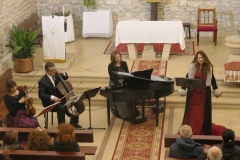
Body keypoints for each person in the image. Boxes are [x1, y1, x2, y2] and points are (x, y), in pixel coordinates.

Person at [178, 50, 222, 135]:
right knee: (193, 112)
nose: (200, 59)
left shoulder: (209, 67)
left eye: (202, 57)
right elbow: (187, 77)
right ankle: (191, 129)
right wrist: (183, 88)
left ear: (204, 58)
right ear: (196, 58)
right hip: (194, 94)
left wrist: (215, 89)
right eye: (199, 58)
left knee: (202, 113)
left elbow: (212, 78)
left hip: (204, 94)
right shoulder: (192, 67)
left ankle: (201, 130)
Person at [38, 62, 81, 128]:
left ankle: (74, 122)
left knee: (74, 101)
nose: (54, 71)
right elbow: (41, 94)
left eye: (55, 69)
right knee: (61, 108)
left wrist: (63, 73)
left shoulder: (57, 74)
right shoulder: (43, 81)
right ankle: (62, 127)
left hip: (61, 97)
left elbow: (66, 77)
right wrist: (52, 97)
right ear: (47, 71)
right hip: (50, 102)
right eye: (51, 70)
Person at [108, 50, 140, 120]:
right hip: (116, 83)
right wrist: (120, 85)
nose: (118, 58)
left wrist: (127, 82)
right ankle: (124, 114)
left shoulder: (124, 63)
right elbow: (113, 78)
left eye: (119, 56)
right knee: (122, 95)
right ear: (113, 59)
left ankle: (132, 111)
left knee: (131, 92)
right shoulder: (110, 66)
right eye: (116, 58)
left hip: (124, 81)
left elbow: (127, 74)